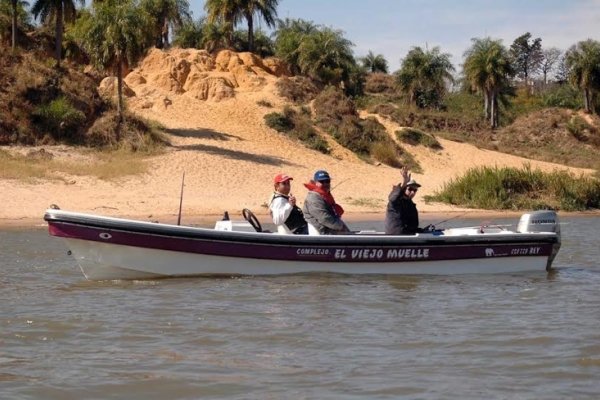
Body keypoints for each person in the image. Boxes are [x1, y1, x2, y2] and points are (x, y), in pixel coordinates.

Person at [303, 170, 350, 235]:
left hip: (330, 230)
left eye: (327, 181)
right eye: (322, 182)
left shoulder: (324, 195)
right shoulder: (313, 197)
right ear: (315, 183)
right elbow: (324, 218)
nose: (325, 184)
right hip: (322, 232)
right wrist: (340, 225)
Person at [385, 166, 423, 235]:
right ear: (404, 189)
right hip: (396, 236)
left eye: (415, 190)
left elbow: (413, 225)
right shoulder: (395, 201)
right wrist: (405, 181)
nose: (413, 192)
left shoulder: (411, 205)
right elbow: (393, 197)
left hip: (408, 235)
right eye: (410, 189)